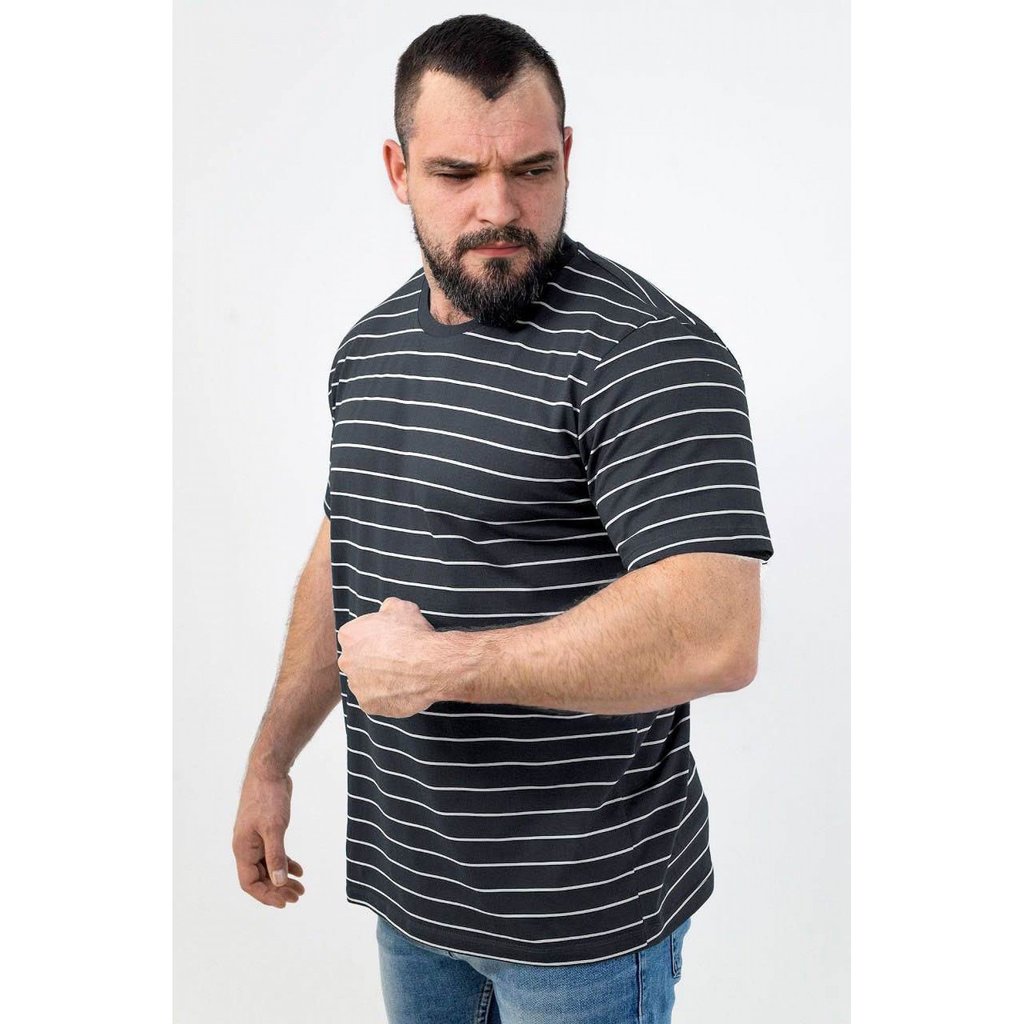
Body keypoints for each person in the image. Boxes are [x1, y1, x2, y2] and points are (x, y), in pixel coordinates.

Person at [232, 13, 774, 1023]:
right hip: (411, 894)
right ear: (398, 171)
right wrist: (271, 758)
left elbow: (717, 632)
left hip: (584, 926)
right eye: (456, 173)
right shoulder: (369, 349)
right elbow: (346, 544)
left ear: (567, 154)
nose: (499, 207)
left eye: (531, 170)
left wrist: (448, 666)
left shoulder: (648, 353)